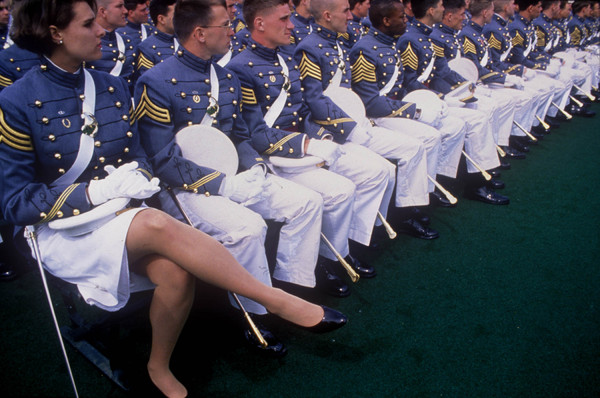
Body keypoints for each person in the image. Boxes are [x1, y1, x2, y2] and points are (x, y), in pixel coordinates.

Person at [0, 0, 346, 396]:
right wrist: (96, 191)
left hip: (118, 215)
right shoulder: (15, 102)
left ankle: (158, 365)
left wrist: (138, 178)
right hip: (63, 228)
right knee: (153, 220)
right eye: (89, 22)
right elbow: (14, 204)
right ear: (55, 32)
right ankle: (275, 299)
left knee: (175, 273)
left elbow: (143, 157)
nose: (101, 31)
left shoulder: (111, 87)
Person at [133, 0, 333, 356]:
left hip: (233, 174)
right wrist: (222, 184)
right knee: (248, 228)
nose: (234, 31)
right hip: (182, 189)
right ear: (199, 33)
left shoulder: (225, 76)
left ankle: (290, 287)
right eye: (226, 25)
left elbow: (240, 135)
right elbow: (162, 160)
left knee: (306, 201)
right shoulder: (155, 81)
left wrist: (254, 166)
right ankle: (255, 316)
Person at [228, 0, 393, 297]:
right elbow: (254, 133)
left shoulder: (284, 58)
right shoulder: (240, 69)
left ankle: (338, 250)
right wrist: (306, 143)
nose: (292, 25)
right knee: (339, 191)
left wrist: (321, 137)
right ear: (260, 24)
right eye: (284, 19)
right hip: (272, 153)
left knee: (372, 170)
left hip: (304, 146)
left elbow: (303, 110)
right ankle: (305, 272)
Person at [86, 0, 137, 92]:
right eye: (119, 6)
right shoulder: (87, 43)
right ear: (103, 12)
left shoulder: (127, 42)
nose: (125, 11)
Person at [134, 0, 177, 80]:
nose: (180, 19)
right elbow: (148, 81)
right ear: (161, 19)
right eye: (175, 16)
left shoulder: (185, 41)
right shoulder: (146, 48)